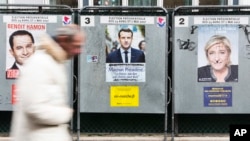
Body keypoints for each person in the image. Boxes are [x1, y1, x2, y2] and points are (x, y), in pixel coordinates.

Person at [10, 24, 86, 141]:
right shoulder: (40, 63)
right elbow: (34, 108)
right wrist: (65, 114)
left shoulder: (55, 62)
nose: (79, 51)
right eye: (77, 46)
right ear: (64, 40)